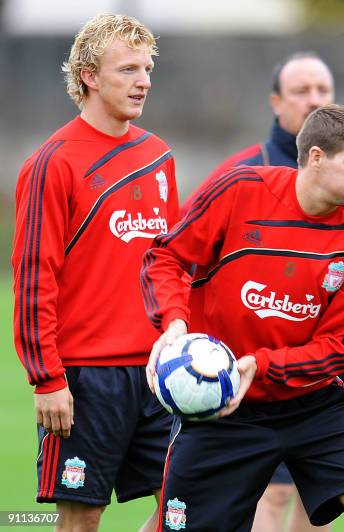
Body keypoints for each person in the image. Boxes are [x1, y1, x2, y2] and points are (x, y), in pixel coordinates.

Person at [142, 104, 344, 532]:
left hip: (315, 403)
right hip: (224, 404)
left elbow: (337, 349)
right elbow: (166, 256)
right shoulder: (241, 189)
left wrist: (260, 365)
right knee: (175, 526)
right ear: (317, 157)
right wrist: (174, 321)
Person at [12, 13, 179, 532]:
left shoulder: (158, 157)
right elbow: (33, 276)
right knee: (83, 518)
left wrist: (178, 328)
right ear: (89, 76)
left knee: (185, 506)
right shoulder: (53, 162)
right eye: (128, 69)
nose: (144, 80)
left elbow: (171, 262)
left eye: (147, 68)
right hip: (86, 380)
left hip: (159, 374)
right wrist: (47, 380)